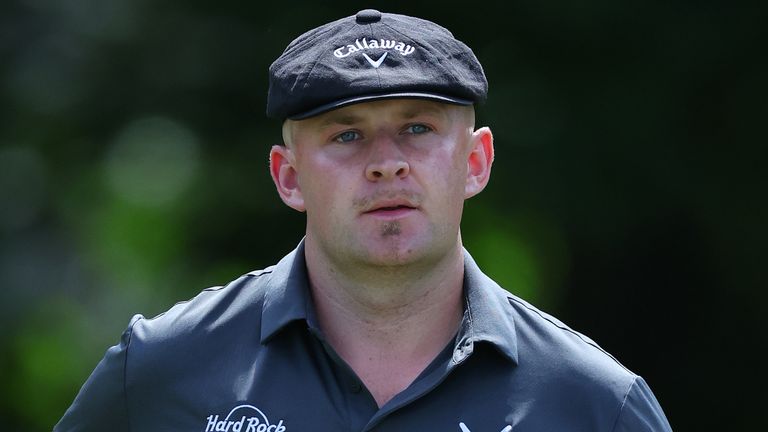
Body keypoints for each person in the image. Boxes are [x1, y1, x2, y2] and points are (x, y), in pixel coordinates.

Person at [56, 9, 672, 432]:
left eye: (417, 128)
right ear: (288, 176)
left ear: (476, 162)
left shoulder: (593, 403)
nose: (386, 165)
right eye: (346, 135)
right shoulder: (163, 368)